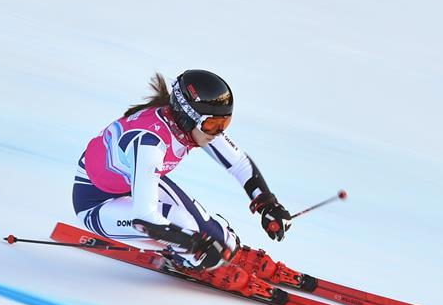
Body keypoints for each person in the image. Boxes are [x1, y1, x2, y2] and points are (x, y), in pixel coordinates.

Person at [73, 69, 292, 273]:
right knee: (187, 229)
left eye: (225, 123)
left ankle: (209, 248)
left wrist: (266, 203)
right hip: (96, 202)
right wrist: (193, 244)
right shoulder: (150, 143)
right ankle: (181, 259)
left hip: (130, 183)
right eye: (213, 125)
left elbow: (239, 164)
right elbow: (145, 217)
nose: (218, 132)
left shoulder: (194, 127)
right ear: (188, 117)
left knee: (222, 241)